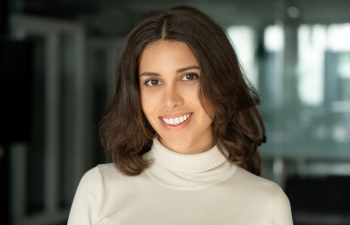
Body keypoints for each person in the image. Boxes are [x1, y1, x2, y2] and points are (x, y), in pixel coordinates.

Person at [67, 5, 293, 225]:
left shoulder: (267, 204)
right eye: (153, 82)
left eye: (189, 77)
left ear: (220, 82)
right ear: (136, 94)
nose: (170, 100)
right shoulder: (99, 188)